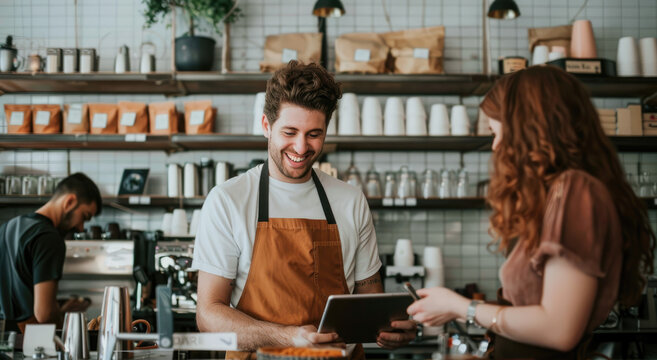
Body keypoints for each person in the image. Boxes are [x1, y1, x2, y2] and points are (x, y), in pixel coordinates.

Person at [408, 66, 656, 359]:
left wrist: (461, 307)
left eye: (497, 133)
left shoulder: (575, 190)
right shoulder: (560, 194)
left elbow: (559, 330)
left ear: (530, 128)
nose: (496, 147)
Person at [193, 61, 415, 359]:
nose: (301, 147)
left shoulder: (350, 200)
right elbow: (208, 315)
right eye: (290, 132)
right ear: (266, 126)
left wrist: (393, 328)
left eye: (314, 134)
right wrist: (288, 336)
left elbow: (370, 299)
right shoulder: (229, 200)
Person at [0, 172, 102, 332]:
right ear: (70, 201)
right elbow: (44, 313)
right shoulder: (49, 237)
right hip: (26, 342)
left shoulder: (9, 226)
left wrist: (60, 310)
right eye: (84, 216)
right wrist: (67, 337)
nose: (81, 228)